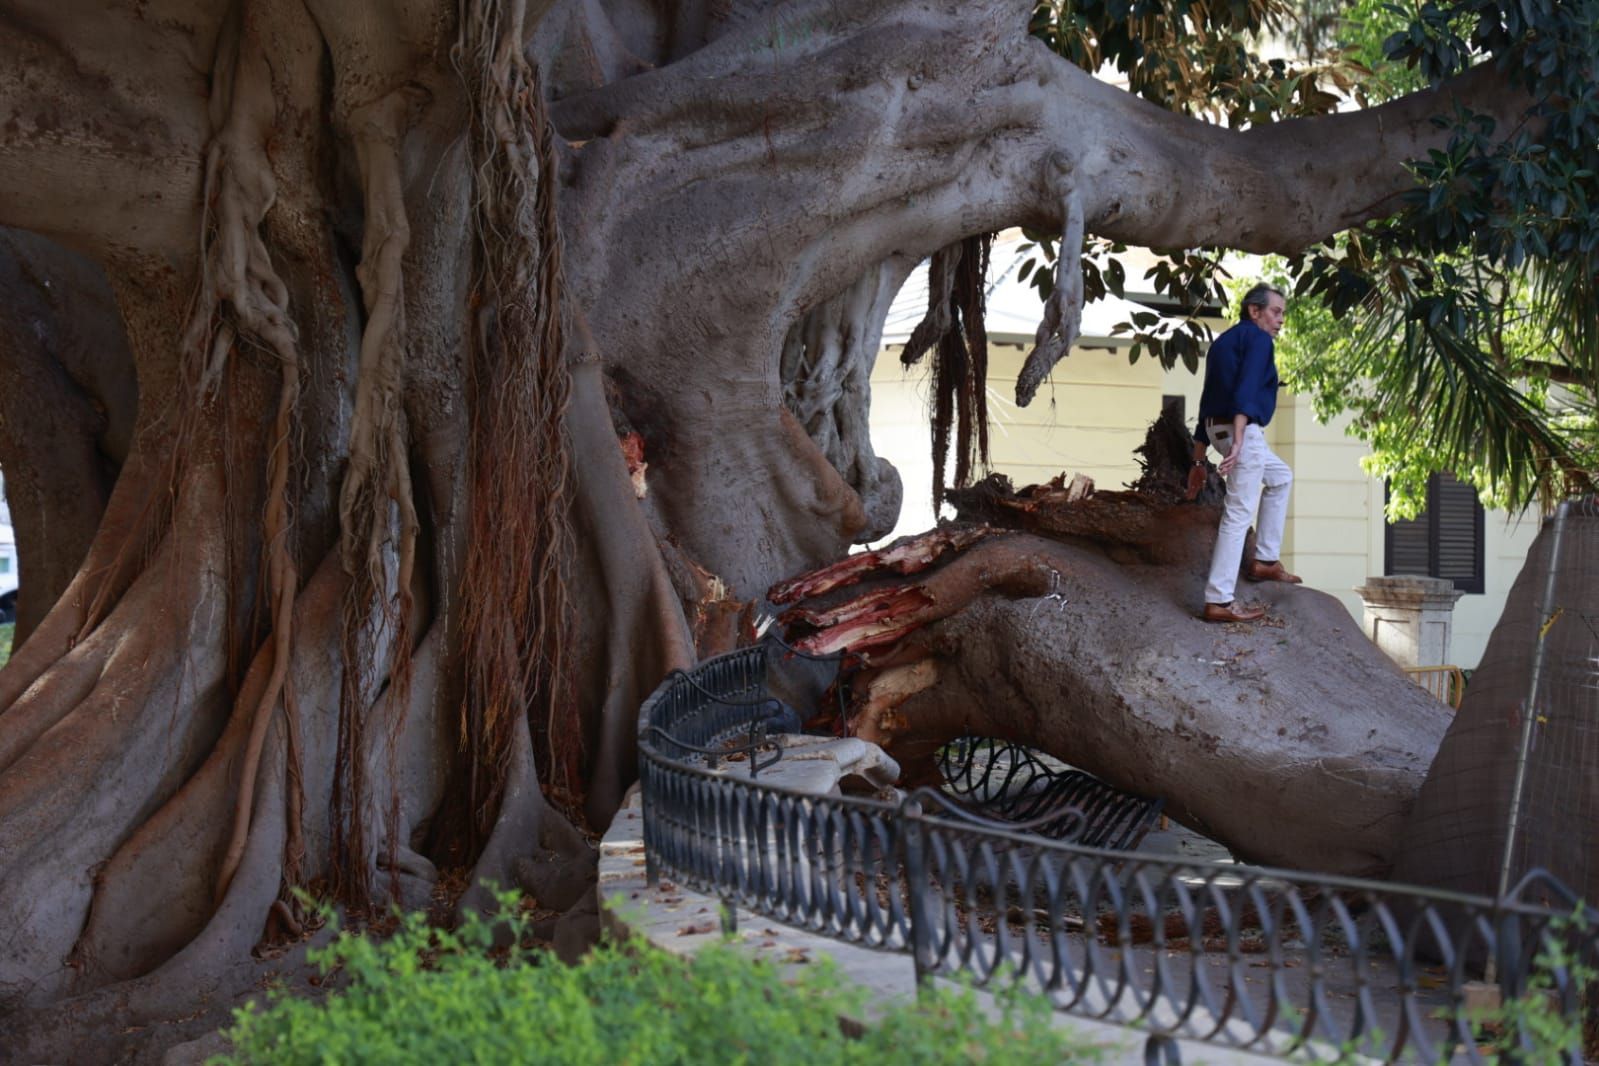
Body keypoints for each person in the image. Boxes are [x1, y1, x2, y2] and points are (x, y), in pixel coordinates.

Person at [1186, 284, 1302, 623]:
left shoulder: (1223, 343)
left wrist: (1198, 458)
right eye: (1276, 312)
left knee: (1280, 477)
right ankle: (1219, 600)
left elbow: (1207, 401)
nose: (1280, 320)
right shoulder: (1258, 339)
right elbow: (1247, 390)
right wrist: (1239, 439)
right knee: (1238, 513)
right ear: (1255, 311)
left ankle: (1264, 561)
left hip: (1215, 428)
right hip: (1241, 432)